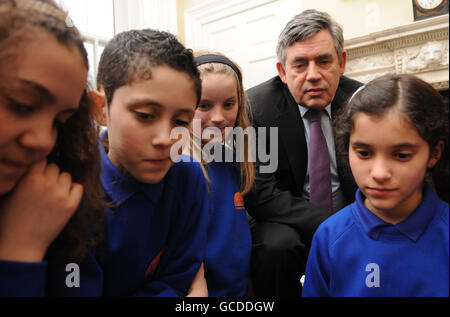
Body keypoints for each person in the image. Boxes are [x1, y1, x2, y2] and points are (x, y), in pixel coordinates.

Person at [243, 9, 363, 296]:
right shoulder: (257, 108)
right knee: (276, 245)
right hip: (287, 220)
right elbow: (262, 193)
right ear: (283, 71)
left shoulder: (363, 102)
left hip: (354, 212)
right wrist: (335, 225)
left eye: (324, 61)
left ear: (341, 62)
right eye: (299, 65)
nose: (313, 75)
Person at [302, 74, 449, 297]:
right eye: (364, 153)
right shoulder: (330, 237)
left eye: (401, 155)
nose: (379, 173)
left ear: (434, 153)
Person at [91, 29, 210, 296]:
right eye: (145, 115)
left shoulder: (188, 178)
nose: (166, 139)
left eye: (180, 122)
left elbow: (179, 276)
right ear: (101, 109)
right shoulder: (76, 191)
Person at [0, 0, 104, 296]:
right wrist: (19, 251)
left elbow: (77, 284)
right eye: (22, 105)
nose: (44, 140)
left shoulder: (57, 193)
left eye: (60, 122)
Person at [186, 51, 254, 297]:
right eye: (204, 105)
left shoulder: (230, 160)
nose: (218, 118)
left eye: (228, 104)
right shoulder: (180, 167)